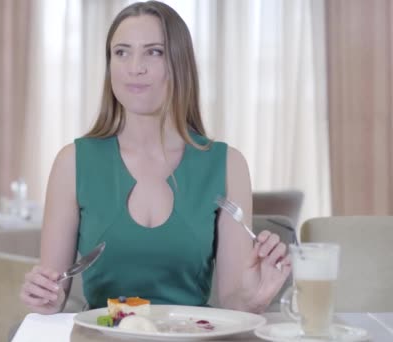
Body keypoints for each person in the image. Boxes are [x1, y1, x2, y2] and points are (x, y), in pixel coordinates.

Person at [20, 1, 291, 315]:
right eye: (121, 52)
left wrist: (255, 298)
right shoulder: (72, 162)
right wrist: (45, 297)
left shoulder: (228, 165)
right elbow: (54, 294)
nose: (135, 66)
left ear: (180, 63)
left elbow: (233, 302)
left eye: (154, 51)